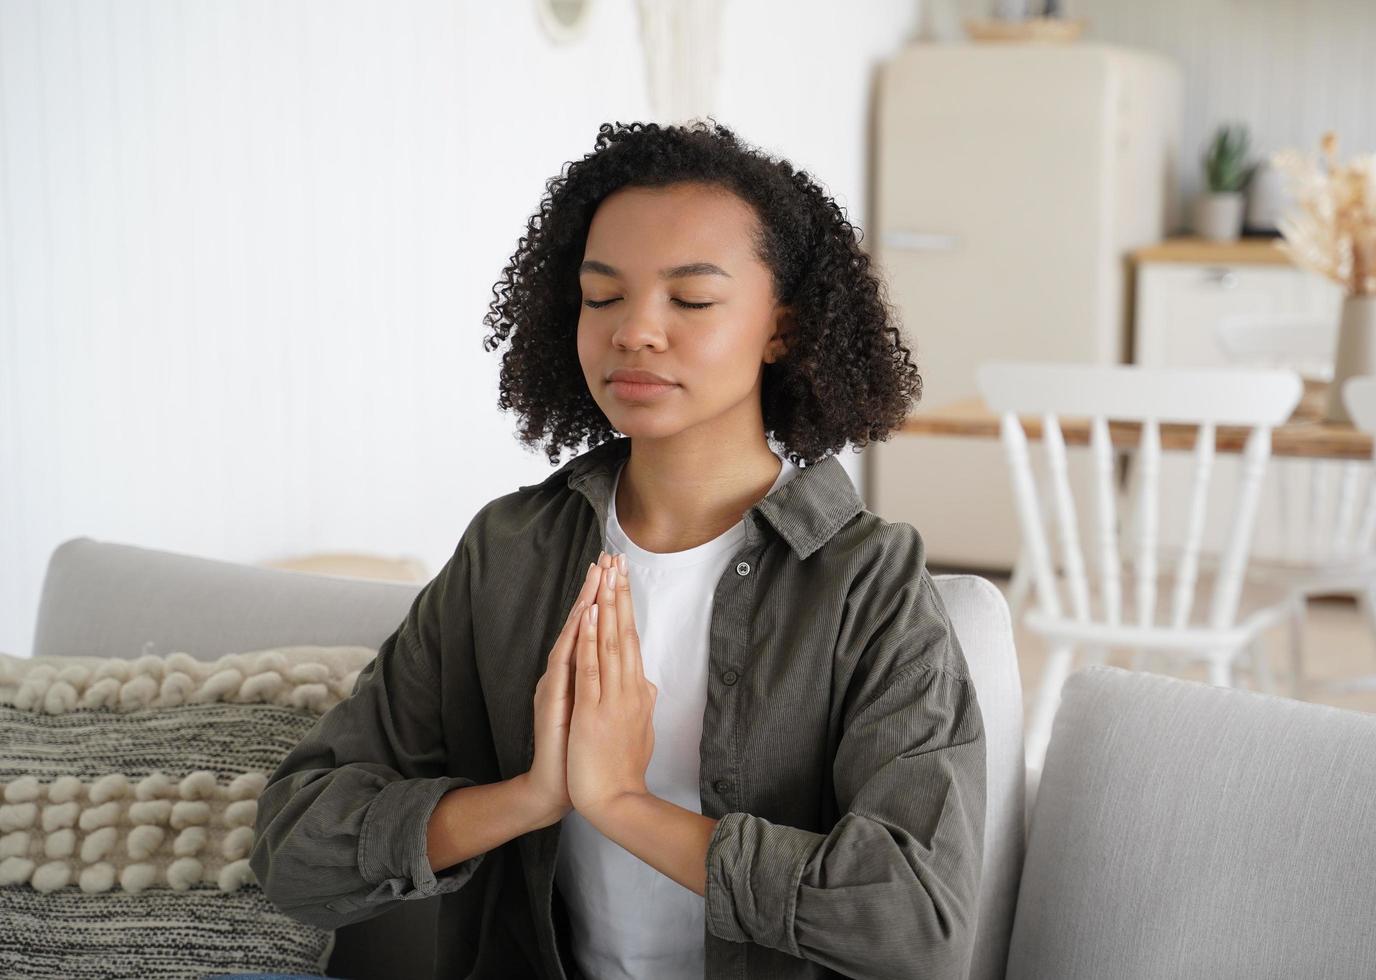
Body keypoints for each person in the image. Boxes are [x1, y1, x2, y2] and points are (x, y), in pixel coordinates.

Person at [250, 119, 987, 980]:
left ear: (781, 327)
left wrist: (623, 804)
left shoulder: (867, 581)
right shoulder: (508, 553)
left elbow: (917, 925)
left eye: (692, 299)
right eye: (603, 297)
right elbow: (295, 852)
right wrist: (531, 797)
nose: (635, 331)